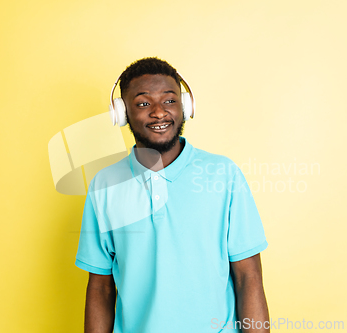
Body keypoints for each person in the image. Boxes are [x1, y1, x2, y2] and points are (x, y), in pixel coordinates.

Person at [75, 57, 270, 333]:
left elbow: (248, 277)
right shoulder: (104, 185)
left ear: (185, 106)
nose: (158, 112)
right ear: (121, 113)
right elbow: (101, 287)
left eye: (169, 100)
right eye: (143, 103)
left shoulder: (223, 174)